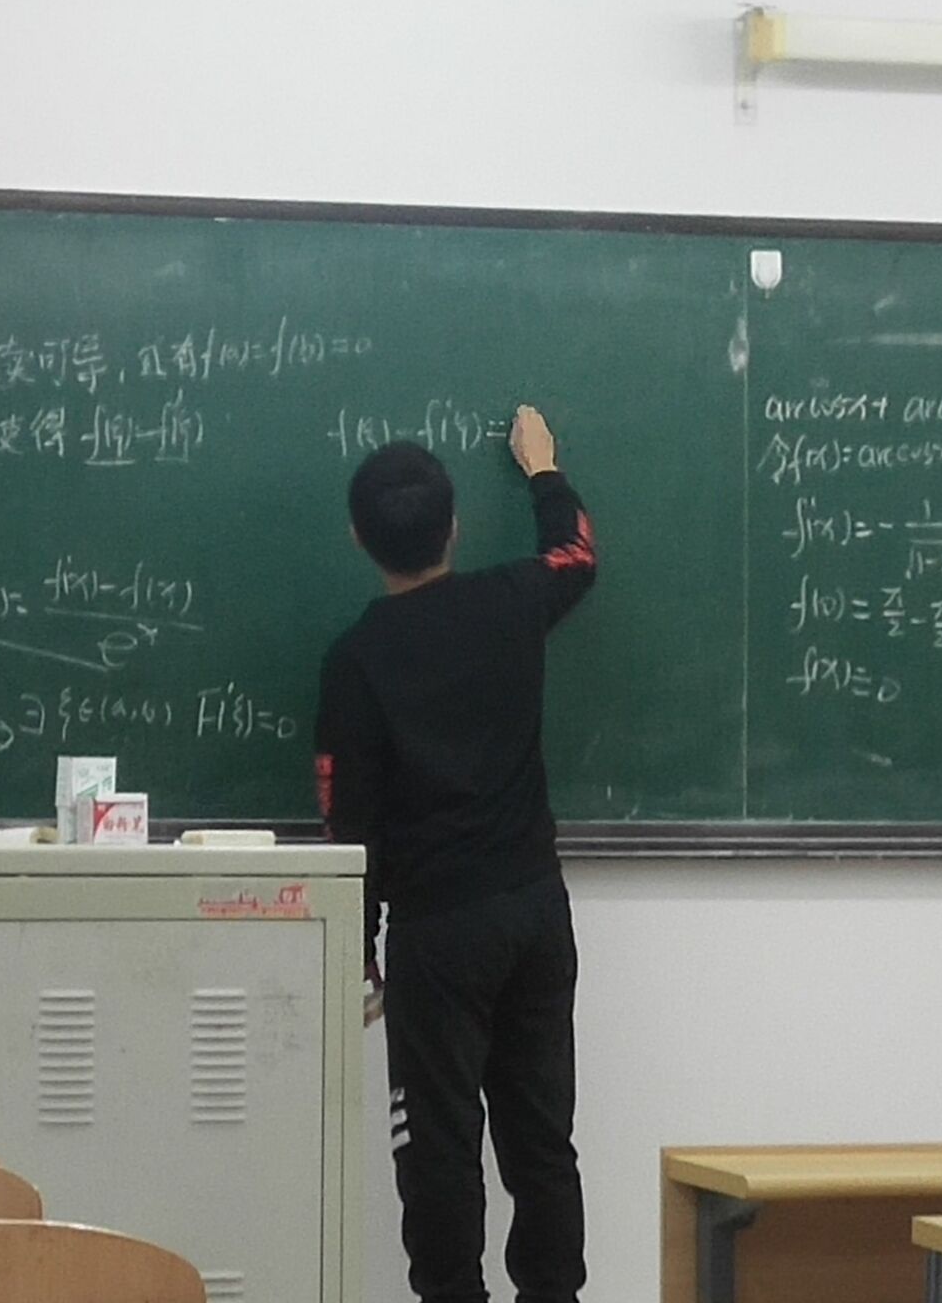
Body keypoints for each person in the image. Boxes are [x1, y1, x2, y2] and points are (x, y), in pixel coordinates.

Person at [315, 404, 597, 1303]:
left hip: (438, 936)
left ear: (358, 538)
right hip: (533, 911)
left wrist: (359, 951)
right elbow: (576, 556)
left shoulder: (357, 659)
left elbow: (349, 821)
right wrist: (544, 470)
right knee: (542, 1142)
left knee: (438, 1151)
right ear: (456, 527)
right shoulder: (510, 601)